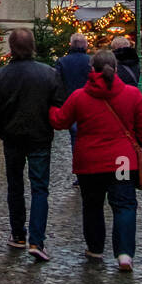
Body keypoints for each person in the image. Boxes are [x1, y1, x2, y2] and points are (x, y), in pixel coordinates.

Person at [50, 49, 142, 272]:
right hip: (122, 161)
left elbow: (60, 121)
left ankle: (95, 248)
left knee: (93, 205)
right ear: (115, 69)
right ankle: (124, 254)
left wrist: (49, 108)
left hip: (90, 163)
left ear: (91, 70)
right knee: (124, 205)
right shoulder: (132, 94)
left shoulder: (79, 96)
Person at [0, 28, 64, 262]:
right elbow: (59, 105)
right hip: (39, 138)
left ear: (11, 47)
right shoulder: (49, 74)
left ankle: (18, 234)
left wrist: (2, 128)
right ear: (33, 46)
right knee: (40, 189)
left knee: (15, 187)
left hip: (12, 138)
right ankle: (37, 240)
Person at [54, 33, 92, 184]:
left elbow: (57, 84)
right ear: (85, 45)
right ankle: (92, 170)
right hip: (90, 105)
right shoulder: (91, 61)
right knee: (91, 137)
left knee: (75, 140)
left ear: (70, 45)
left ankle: (80, 173)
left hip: (71, 105)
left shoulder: (62, 62)